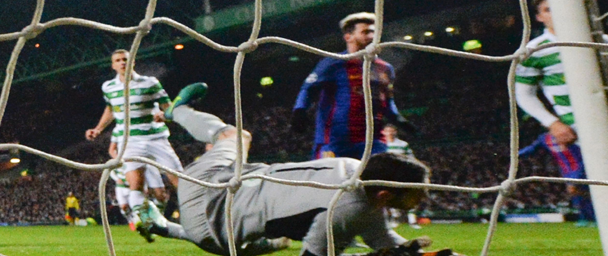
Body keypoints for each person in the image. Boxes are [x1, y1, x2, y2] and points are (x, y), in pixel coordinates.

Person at [139, 83, 463, 256]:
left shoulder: (353, 168)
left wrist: (409, 252)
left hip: (214, 183)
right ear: (384, 195)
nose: (422, 198)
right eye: (416, 195)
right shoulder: (347, 209)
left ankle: (178, 112)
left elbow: (379, 235)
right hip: (212, 226)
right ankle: (167, 225)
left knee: (236, 136)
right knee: (259, 244)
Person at [516, 0, 595, 225]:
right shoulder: (533, 51)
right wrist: (553, 123)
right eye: (547, 9)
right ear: (539, 17)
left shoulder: (599, 39)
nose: (556, 13)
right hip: (579, 133)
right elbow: (524, 94)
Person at [292, 12, 413, 159]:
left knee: (381, 172)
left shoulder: (385, 68)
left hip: (373, 141)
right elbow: (308, 89)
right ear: (348, 37)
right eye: (365, 32)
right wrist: (300, 110)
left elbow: (386, 99)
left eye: (374, 32)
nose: (371, 36)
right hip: (335, 141)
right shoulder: (333, 63)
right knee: (331, 174)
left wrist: (397, 118)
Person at [86, 49, 182, 223]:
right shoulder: (108, 87)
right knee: (136, 185)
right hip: (129, 141)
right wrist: (98, 129)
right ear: (113, 65)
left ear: (133, 62)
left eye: (125, 59)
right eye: (118, 60)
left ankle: (197, 216)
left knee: (178, 179)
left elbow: (168, 107)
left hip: (155, 137)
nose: (122, 62)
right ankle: (146, 223)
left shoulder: (150, 83)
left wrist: (165, 115)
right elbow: (111, 109)